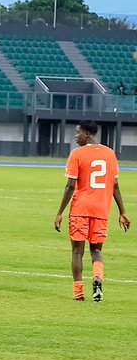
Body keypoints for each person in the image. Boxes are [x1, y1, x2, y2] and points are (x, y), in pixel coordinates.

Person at [54, 120, 130, 302]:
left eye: (78, 132)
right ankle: (97, 279)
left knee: (77, 252)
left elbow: (70, 186)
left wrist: (59, 212)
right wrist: (122, 212)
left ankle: (78, 293)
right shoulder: (110, 153)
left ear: (87, 134)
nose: (75, 136)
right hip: (102, 210)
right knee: (96, 250)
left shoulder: (77, 154)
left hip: (81, 209)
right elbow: (116, 185)